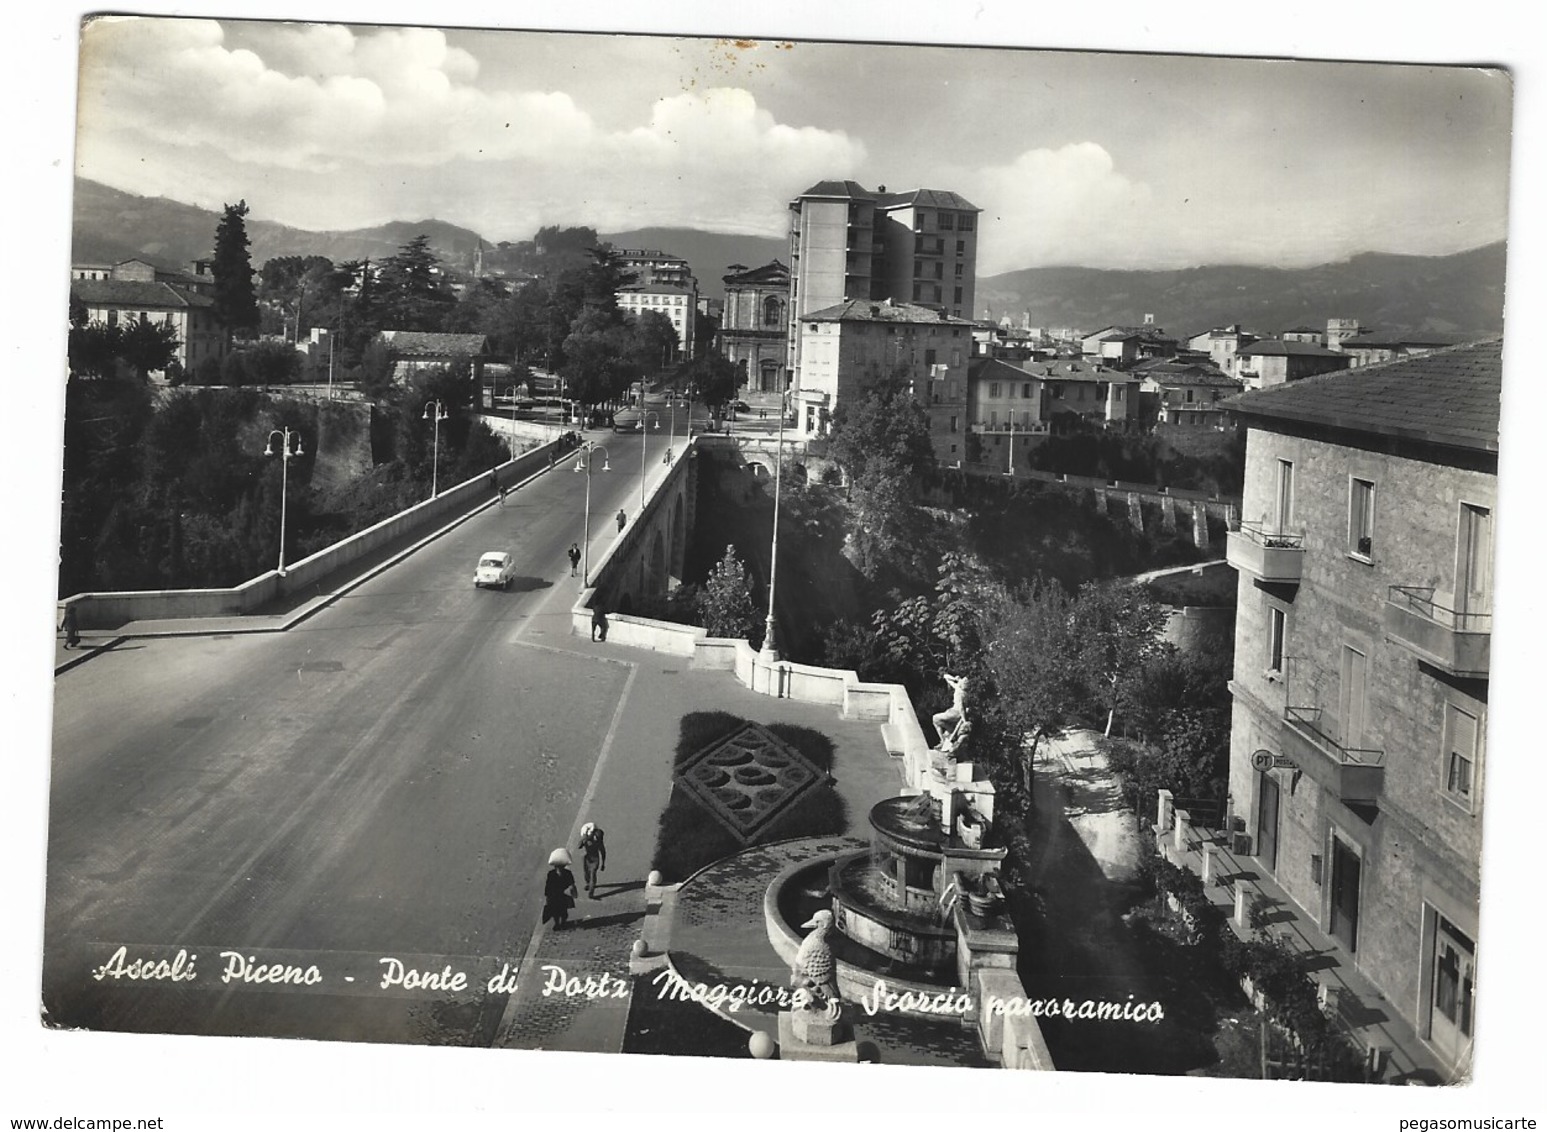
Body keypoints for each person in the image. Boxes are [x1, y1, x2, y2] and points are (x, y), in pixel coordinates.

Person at [542, 848, 578, 929]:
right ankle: (558, 924)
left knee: (562, 912)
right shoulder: (554, 874)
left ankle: (561, 923)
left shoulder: (555, 874)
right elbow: (548, 886)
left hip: (560, 895)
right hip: (555, 896)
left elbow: (571, 884)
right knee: (556, 912)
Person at [578, 822, 607, 898]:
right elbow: (579, 846)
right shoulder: (587, 838)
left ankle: (591, 891)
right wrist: (584, 839)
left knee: (593, 874)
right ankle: (589, 883)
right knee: (586, 873)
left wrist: (603, 864)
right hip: (587, 857)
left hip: (595, 859)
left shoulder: (599, 843)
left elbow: (603, 852)